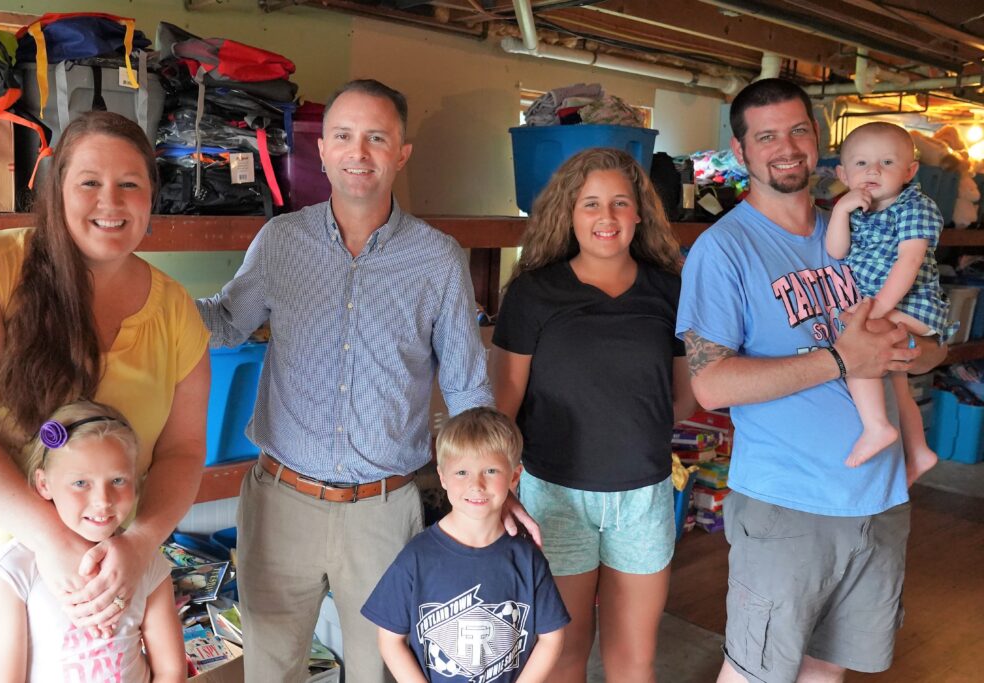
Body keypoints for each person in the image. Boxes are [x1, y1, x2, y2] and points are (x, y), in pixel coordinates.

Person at [196, 79, 535, 682]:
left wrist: (492, 485)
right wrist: (139, 295)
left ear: (401, 153)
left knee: (380, 671)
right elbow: (224, 324)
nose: (360, 152)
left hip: (384, 511)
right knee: (270, 670)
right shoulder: (281, 241)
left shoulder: (438, 259)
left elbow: (466, 388)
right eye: (345, 137)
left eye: (377, 138)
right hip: (280, 503)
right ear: (322, 150)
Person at [675, 78, 947, 683]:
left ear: (818, 140)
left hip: (879, 498)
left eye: (798, 130)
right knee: (756, 672)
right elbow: (712, 385)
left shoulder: (856, 230)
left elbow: (929, 350)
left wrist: (910, 349)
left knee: (828, 669)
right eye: (766, 135)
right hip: (788, 506)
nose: (786, 146)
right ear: (741, 151)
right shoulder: (724, 251)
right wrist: (842, 360)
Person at [0, 111, 209, 675]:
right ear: (56, 189)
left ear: (151, 197)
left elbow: (184, 451)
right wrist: (52, 542)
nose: (110, 201)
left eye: (130, 184)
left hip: (109, 605)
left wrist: (141, 544)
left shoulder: (176, 311)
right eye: (89, 182)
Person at [491, 147, 696, 683]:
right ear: (569, 213)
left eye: (620, 203)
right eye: (591, 204)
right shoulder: (535, 294)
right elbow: (504, 404)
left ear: (638, 215)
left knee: (634, 659)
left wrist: (629, 431)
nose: (605, 218)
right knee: (562, 653)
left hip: (643, 498)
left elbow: (684, 398)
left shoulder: (670, 291)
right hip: (554, 497)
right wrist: (499, 489)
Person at [0, 401, 184, 683]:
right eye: (81, 483)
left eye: (118, 480)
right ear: (44, 484)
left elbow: (170, 671)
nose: (103, 501)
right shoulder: (11, 574)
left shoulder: (147, 563)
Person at [362, 407, 568, 682]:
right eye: (462, 472)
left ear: (514, 476)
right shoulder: (416, 557)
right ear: (443, 477)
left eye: (491, 470)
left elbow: (552, 638)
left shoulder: (527, 559)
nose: (476, 484)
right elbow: (390, 640)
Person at [826, 121, 947, 482]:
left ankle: (877, 426)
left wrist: (873, 314)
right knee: (896, 381)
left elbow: (908, 264)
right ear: (843, 174)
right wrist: (839, 212)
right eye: (861, 164)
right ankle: (920, 451)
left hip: (914, 303)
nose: (873, 171)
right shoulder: (855, 208)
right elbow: (836, 250)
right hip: (882, 305)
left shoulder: (915, 206)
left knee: (862, 341)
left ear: (910, 171)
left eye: (888, 163)